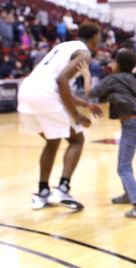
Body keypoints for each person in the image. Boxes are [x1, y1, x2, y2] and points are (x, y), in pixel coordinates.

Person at [17, 22, 103, 210]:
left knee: (52, 141)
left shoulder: (63, 46)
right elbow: (61, 80)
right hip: (45, 95)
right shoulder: (84, 54)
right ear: (95, 38)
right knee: (76, 140)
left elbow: (54, 86)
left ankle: (42, 193)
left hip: (26, 92)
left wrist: (85, 104)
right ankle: (62, 189)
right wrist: (75, 114)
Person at [89, 48, 136, 218]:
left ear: (117, 64)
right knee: (125, 164)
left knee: (123, 168)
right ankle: (128, 195)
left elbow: (91, 93)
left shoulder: (113, 79)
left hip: (132, 125)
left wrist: (85, 75)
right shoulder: (131, 79)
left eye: (112, 62)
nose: (110, 64)